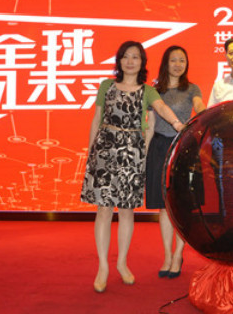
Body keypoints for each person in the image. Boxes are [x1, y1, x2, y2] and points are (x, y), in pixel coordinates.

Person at [80, 41, 185, 293]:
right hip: (105, 150)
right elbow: (96, 119)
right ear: (119, 61)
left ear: (142, 62)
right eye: (125, 56)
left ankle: (122, 263)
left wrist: (177, 124)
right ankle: (103, 267)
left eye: (135, 57)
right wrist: (91, 152)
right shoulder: (106, 86)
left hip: (132, 153)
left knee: (127, 211)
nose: (130, 61)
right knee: (104, 209)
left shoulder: (148, 91)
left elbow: (161, 109)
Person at [145, 45, 205, 279]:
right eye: (173, 60)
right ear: (165, 63)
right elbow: (150, 124)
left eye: (182, 60)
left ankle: (178, 254)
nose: (178, 64)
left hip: (183, 147)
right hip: (159, 147)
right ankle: (167, 256)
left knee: (181, 203)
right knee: (163, 205)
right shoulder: (155, 90)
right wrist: (145, 153)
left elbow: (199, 106)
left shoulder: (192, 88)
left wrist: (203, 112)